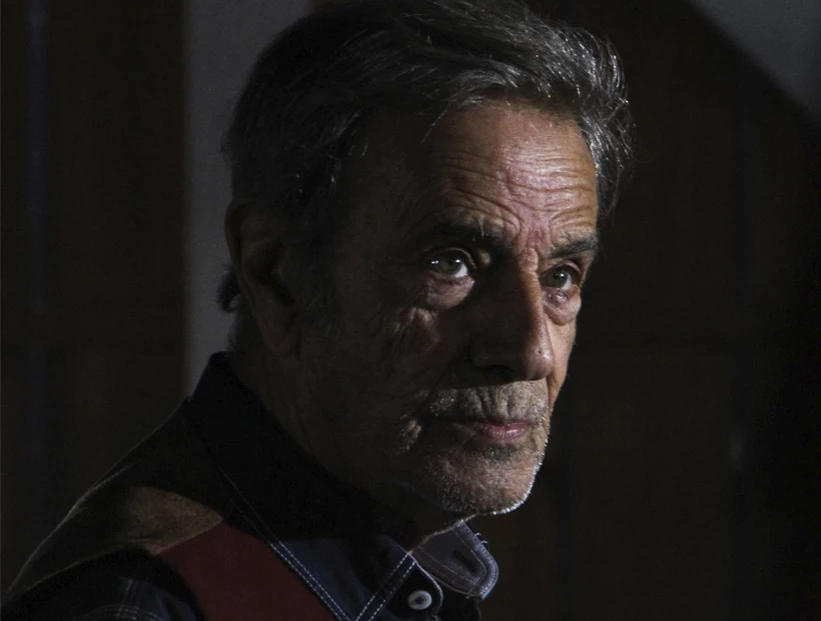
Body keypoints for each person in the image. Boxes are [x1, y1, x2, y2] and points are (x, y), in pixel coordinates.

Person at [4, 0, 630, 619]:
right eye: (452, 263)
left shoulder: (408, 563)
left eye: (560, 276)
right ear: (276, 273)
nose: (530, 350)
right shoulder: (142, 608)